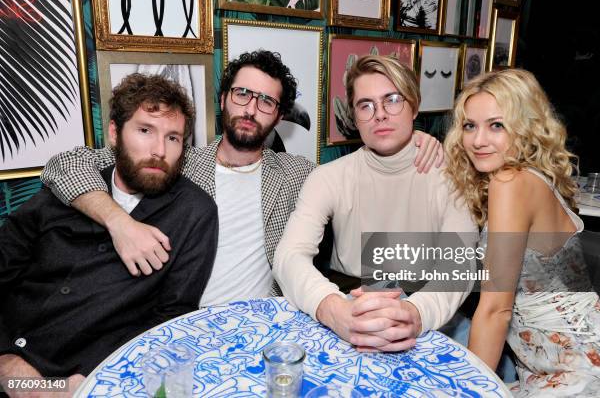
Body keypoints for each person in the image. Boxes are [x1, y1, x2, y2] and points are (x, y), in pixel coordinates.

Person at [40, 50, 443, 307]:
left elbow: (367, 166)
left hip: (267, 321)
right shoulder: (178, 161)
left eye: (266, 100)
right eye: (242, 94)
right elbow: (63, 164)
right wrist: (119, 222)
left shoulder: (298, 174)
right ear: (223, 99)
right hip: (179, 318)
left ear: (279, 115)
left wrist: (412, 138)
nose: (252, 108)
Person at [0, 74, 218, 395]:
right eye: (145, 130)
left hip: (87, 376)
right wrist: (7, 362)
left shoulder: (194, 212)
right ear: (115, 133)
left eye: (173, 138)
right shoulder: (69, 190)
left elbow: (170, 319)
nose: (159, 150)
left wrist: (88, 376)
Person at [273, 55, 478, 352]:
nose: (379, 114)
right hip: (350, 309)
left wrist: (415, 314)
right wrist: (333, 309)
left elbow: (457, 265)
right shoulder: (329, 177)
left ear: (414, 105)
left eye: (392, 100)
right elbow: (288, 256)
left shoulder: (452, 178)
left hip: (432, 318)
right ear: (354, 118)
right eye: (365, 105)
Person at [444, 68, 600, 396]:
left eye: (496, 125)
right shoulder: (530, 176)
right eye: (469, 126)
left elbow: (496, 309)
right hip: (556, 363)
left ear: (525, 126)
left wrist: (470, 391)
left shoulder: (510, 183)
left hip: (583, 369)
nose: (478, 141)